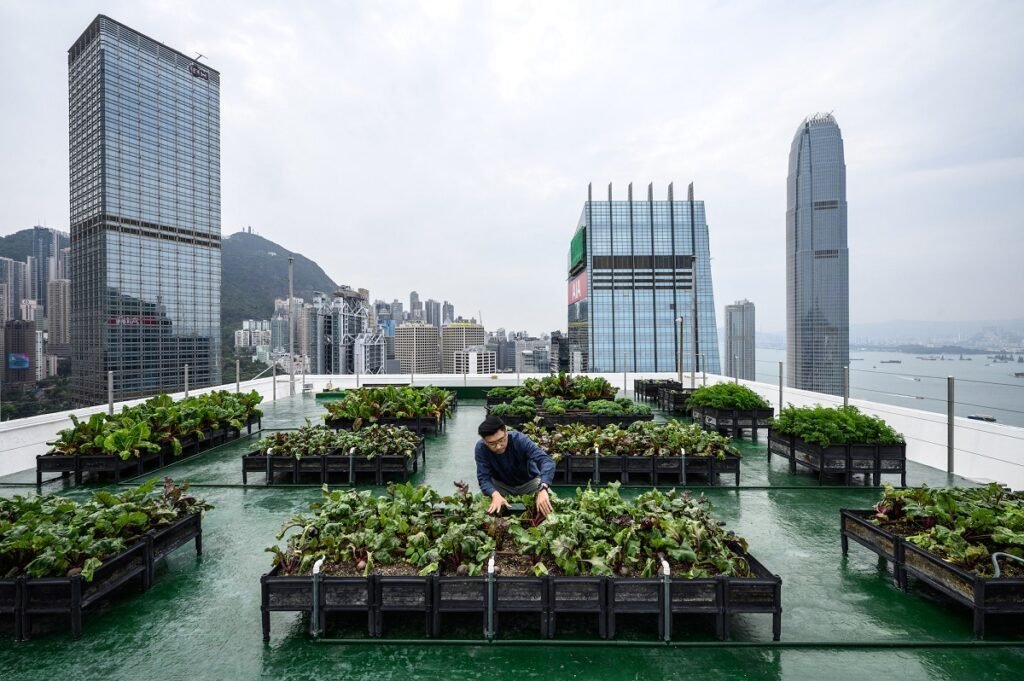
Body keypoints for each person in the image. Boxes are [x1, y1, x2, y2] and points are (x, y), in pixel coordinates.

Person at [475, 414, 555, 516]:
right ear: (485, 441)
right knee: (482, 508)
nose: (498, 446)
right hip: (501, 485)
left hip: (529, 483)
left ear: (506, 432)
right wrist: (494, 494)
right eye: (492, 444)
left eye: (501, 440)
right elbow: (483, 478)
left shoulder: (520, 440)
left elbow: (546, 460)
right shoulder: (481, 448)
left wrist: (543, 488)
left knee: (551, 504)